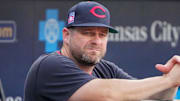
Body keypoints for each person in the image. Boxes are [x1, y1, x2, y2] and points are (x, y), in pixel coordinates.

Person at [24, 1, 180, 101]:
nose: (96, 40)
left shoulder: (105, 69)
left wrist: (173, 81)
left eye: (102, 34)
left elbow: (157, 97)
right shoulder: (49, 66)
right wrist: (167, 80)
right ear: (66, 35)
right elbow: (107, 94)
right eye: (88, 32)